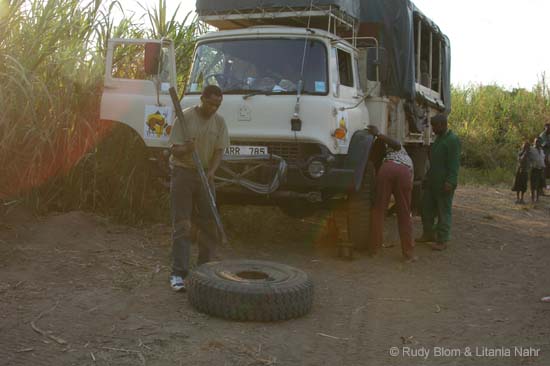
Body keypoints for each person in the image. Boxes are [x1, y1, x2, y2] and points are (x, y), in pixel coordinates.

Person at [168, 85, 230, 291]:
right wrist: (187, 148)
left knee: (207, 223)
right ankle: (178, 273)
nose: (214, 108)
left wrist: (212, 171)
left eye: (218, 105)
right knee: (183, 224)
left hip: (206, 175)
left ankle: (204, 269)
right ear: (202, 99)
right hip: (183, 173)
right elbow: (174, 150)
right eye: (211, 103)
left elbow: (220, 150)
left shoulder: (220, 122)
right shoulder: (184, 118)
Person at [368, 125, 417, 263]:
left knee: (378, 211)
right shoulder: (402, 151)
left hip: (387, 170)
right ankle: (409, 254)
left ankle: (375, 251)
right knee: (405, 214)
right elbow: (409, 186)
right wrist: (379, 133)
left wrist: (377, 134)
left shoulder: (385, 158)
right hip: (404, 172)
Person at [416, 113, 461, 251]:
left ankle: (442, 240)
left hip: (444, 183)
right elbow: (434, 163)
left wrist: (450, 181)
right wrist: (426, 178)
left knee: (443, 211)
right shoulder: (439, 139)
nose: (433, 129)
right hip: (432, 182)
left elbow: (454, 164)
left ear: (443, 124)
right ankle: (428, 234)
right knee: (426, 208)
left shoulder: (452, 140)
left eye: (435, 126)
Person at [529, 137, 546, 203]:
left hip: (541, 169)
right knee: (533, 185)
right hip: (534, 169)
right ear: (534, 142)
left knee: (539, 185)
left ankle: (537, 198)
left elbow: (542, 160)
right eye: (536, 141)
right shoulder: (531, 149)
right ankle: (533, 198)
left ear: (540, 143)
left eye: (538, 142)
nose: (537, 143)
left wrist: (544, 168)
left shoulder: (541, 151)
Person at [538, 123, 550, 191]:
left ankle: (542, 189)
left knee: (545, 173)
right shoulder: (542, 135)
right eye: (548, 128)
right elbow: (542, 145)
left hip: (547, 157)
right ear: (545, 128)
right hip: (543, 157)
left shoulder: (548, 135)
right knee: (543, 173)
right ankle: (540, 189)